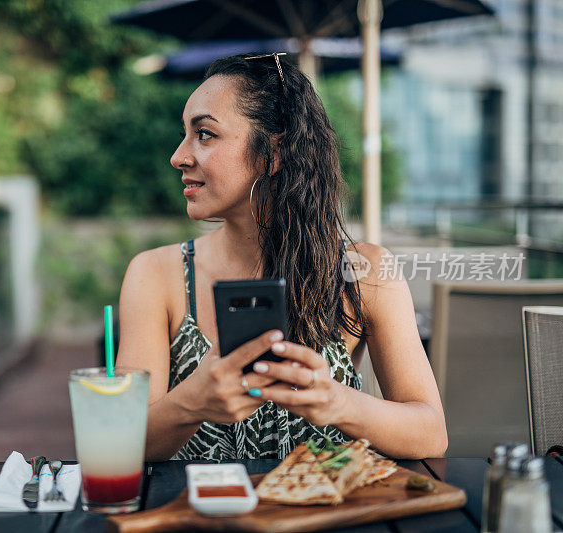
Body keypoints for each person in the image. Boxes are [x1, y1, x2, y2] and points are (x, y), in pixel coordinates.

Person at [116, 54, 447, 461]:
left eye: (204, 134)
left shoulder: (364, 272)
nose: (179, 156)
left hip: (324, 513)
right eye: (186, 134)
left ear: (274, 153)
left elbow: (431, 433)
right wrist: (190, 403)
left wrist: (338, 403)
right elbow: (119, 442)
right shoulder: (155, 274)